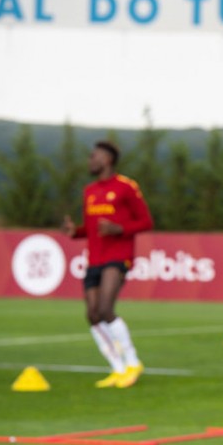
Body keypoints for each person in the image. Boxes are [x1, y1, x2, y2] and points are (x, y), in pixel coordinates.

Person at [62, 141, 153, 389]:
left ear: (107, 160)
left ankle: (133, 362)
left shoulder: (126, 187)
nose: (90, 161)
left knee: (105, 309)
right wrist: (75, 232)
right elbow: (91, 229)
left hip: (118, 256)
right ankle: (117, 368)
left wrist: (119, 229)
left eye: (94, 157)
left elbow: (146, 221)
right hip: (94, 258)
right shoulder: (89, 190)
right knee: (92, 315)